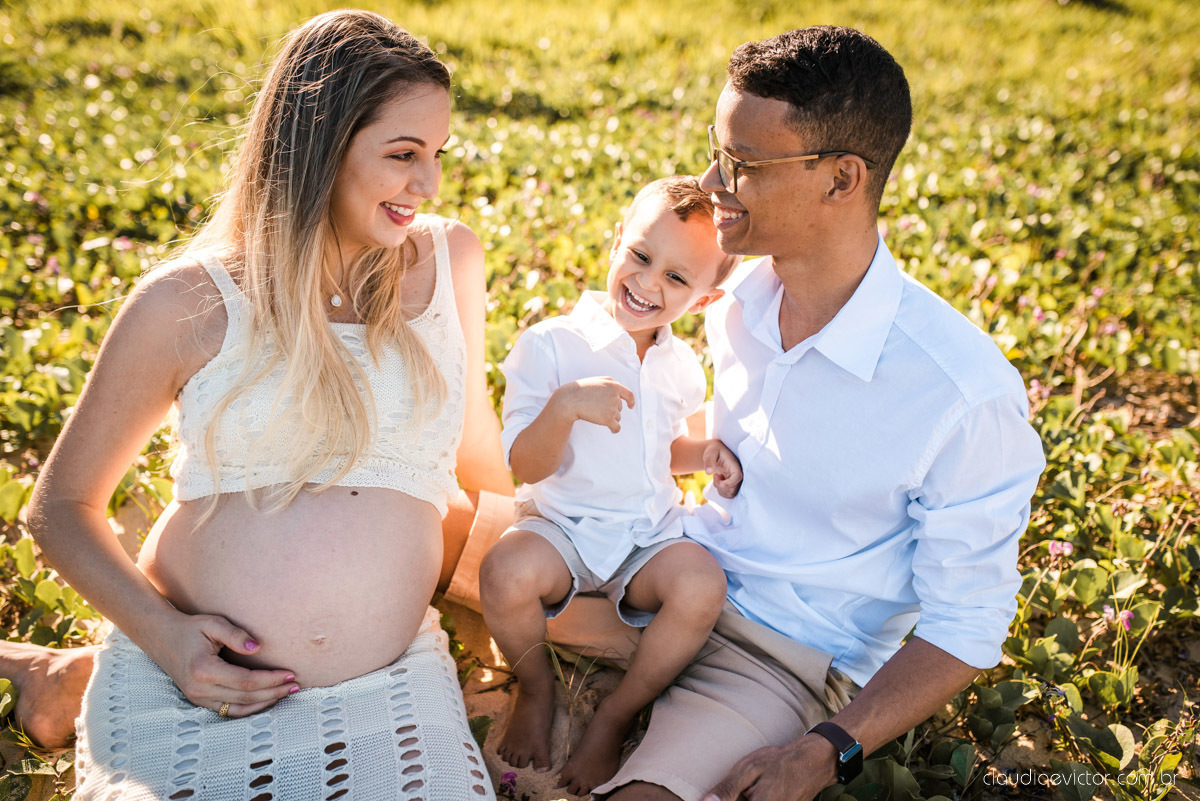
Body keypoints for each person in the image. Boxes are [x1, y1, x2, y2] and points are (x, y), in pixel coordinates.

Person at [22, 10, 513, 799]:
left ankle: (56, 676)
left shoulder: (448, 260)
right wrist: (168, 638)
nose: (428, 185)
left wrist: (553, 568)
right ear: (321, 145)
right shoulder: (189, 301)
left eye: (437, 155)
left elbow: (477, 454)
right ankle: (76, 676)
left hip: (386, 687)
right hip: (193, 684)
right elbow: (60, 507)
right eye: (403, 155)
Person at [479, 177, 742, 795]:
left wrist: (703, 454)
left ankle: (616, 715)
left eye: (676, 277)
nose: (647, 282)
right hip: (562, 527)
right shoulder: (551, 345)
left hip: (645, 536)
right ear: (618, 239)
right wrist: (564, 408)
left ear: (703, 300)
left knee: (702, 586)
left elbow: (662, 453)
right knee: (503, 571)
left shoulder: (681, 366)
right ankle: (536, 687)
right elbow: (526, 465)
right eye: (641, 256)